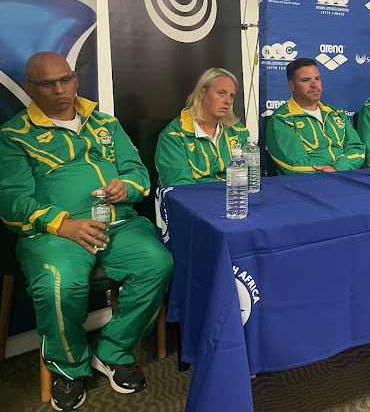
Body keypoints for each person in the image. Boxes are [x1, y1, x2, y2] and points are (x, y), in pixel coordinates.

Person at [0, 52, 173, 411]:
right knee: (59, 284)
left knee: (158, 263)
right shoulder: (14, 135)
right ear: (30, 88)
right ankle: (69, 366)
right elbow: (11, 201)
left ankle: (112, 349)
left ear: (76, 79)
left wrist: (127, 185)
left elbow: (138, 172)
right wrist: (62, 223)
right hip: (54, 232)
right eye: (48, 83)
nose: (60, 89)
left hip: (119, 223)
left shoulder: (105, 123)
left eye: (66, 79)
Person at [265, 58, 365, 174]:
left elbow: (358, 150)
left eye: (317, 79)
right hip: (306, 185)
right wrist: (327, 173)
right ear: (292, 85)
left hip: (346, 178)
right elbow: (295, 165)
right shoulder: (282, 120)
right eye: (306, 80)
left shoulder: (337, 114)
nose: (314, 85)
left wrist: (336, 168)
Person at [155, 68, 249, 186]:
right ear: (202, 93)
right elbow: (180, 186)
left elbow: (247, 177)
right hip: (192, 200)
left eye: (232, 96)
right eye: (221, 93)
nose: (228, 101)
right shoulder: (173, 136)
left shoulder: (239, 131)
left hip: (233, 198)